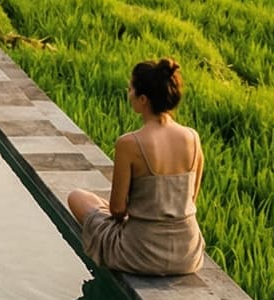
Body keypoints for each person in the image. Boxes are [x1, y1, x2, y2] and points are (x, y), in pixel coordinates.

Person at [66, 57, 204, 276]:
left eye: (130, 89)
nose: (128, 93)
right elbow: (190, 199)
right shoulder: (192, 137)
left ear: (143, 100)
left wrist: (134, 216)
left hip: (141, 253)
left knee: (77, 197)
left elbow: (118, 210)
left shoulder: (129, 143)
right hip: (188, 254)